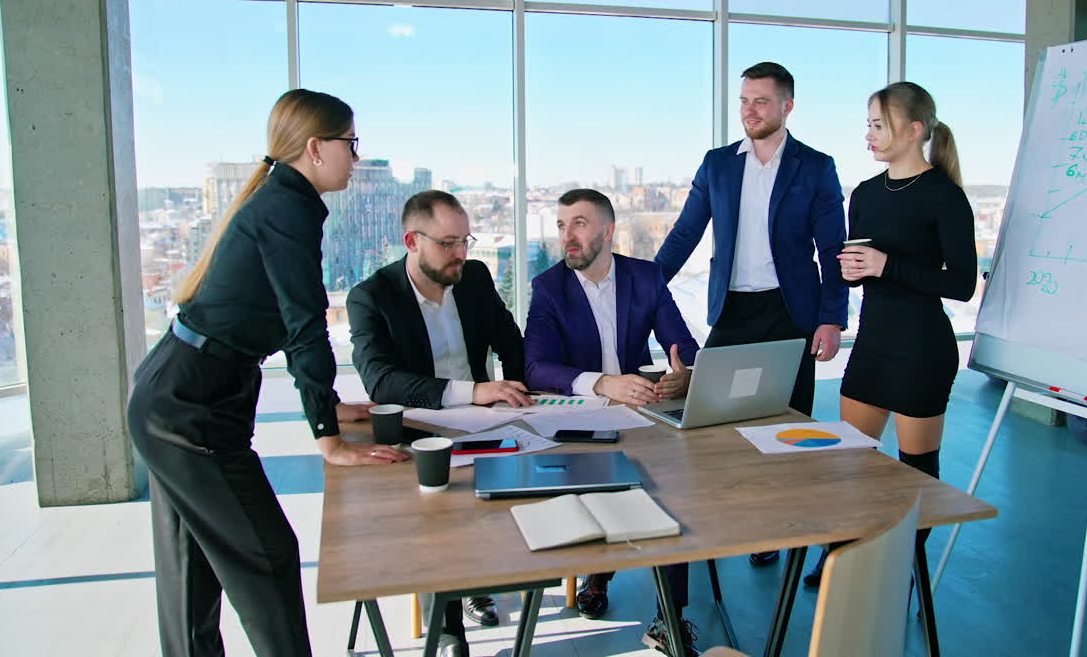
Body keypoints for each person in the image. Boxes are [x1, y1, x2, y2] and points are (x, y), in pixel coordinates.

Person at [127, 89, 410, 657]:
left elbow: (271, 314)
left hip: (181, 392)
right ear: (316, 148)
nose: (356, 156)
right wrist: (328, 438)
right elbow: (304, 325)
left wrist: (328, 405)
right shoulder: (288, 208)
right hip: (190, 407)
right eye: (350, 143)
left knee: (191, 572)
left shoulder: (284, 200)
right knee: (267, 554)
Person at [655, 61, 848, 567]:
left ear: (787, 106)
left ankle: (777, 529)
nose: (750, 111)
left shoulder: (815, 166)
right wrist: (644, 289)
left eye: (761, 101)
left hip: (792, 313)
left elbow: (833, 248)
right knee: (708, 417)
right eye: (744, 101)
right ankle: (719, 514)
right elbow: (685, 232)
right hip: (733, 309)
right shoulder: (718, 164)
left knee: (789, 427)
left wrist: (832, 318)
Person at [347, 189, 530, 646]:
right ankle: (448, 637)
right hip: (420, 430)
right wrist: (474, 391)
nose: (460, 254)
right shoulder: (371, 296)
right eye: (448, 243)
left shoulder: (474, 278)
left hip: (485, 422)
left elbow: (512, 342)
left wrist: (523, 393)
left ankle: (480, 577)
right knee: (436, 511)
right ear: (412, 241)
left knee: (545, 475)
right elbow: (381, 383)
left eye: (465, 241)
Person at [812, 81, 975, 585]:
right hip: (873, 343)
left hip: (922, 348)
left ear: (914, 129)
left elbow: (962, 284)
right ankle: (843, 556)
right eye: (868, 125)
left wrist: (886, 265)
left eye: (878, 125)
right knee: (851, 461)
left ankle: (901, 570)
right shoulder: (863, 194)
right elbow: (861, 267)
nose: (869, 135)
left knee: (915, 469)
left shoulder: (945, 196)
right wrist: (852, 271)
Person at [524, 188, 700, 655]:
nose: (567, 235)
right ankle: (598, 575)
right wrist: (602, 384)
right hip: (579, 415)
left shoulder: (646, 276)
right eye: (561, 225)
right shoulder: (549, 286)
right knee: (604, 474)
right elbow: (535, 367)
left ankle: (670, 617)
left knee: (670, 486)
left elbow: (683, 345)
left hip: (642, 410)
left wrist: (685, 373)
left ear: (608, 231)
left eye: (579, 224)